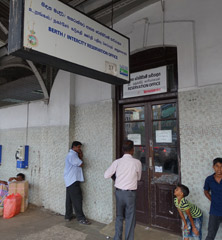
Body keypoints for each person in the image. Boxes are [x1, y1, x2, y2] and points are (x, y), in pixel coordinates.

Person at [104, 140, 142, 240]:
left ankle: (117, 237)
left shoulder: (117, 162)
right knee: (130, 218)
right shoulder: (137, 162)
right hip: (130, 194)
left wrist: (116, 179)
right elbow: (138, 178)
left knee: (119, 217)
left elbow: (106, 175)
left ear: (122, 150)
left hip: (119, 193)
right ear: (133, 150)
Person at [64, 141, 91, 225]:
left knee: (69, 199)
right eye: (78, 147)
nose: (80, 149)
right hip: (73, 180)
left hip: (70, 180)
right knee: (77, 199)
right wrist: (80, 156)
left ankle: (68, 215)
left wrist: (79, 155)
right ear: (74, 147)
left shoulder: (72, 155)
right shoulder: (72, 155)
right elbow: (81, 164)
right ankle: (81, 218)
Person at [204, 158, 222, 240]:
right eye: (217, 166)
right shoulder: (209, 179)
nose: (219, 169)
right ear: (213, 167)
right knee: (210, 235)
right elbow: (206, 191)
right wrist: (213, 200)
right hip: (214, 211)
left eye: (221, 166)